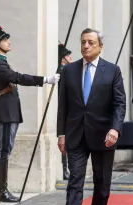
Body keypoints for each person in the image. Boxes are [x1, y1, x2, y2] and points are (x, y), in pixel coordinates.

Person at [57, 28, 126, 205]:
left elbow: (120, 104)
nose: (86, 46)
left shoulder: (113, 70)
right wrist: (61, 133)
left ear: (100, 46)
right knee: (75, 178)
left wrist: (115, 129)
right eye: (83, 42)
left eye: (91, 42)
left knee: (102, 185)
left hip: (104, 135)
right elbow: (63, 105)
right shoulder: (69, 70)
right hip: (75, 134)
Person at [0, 23, 60, 202]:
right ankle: (1, 190)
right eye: (4, 40)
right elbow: (18, 78)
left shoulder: (2, 62)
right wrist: (44, 80)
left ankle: (2, 188)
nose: (8, 42)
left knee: (6, 149)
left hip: (10, 113)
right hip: (5, 114)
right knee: (4, 151)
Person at [58, 43, 73, 180]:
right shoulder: (63, 72)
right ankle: (64, 169)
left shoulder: (67, 71)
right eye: (68, 55)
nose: (71, 57)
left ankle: (66, 168)